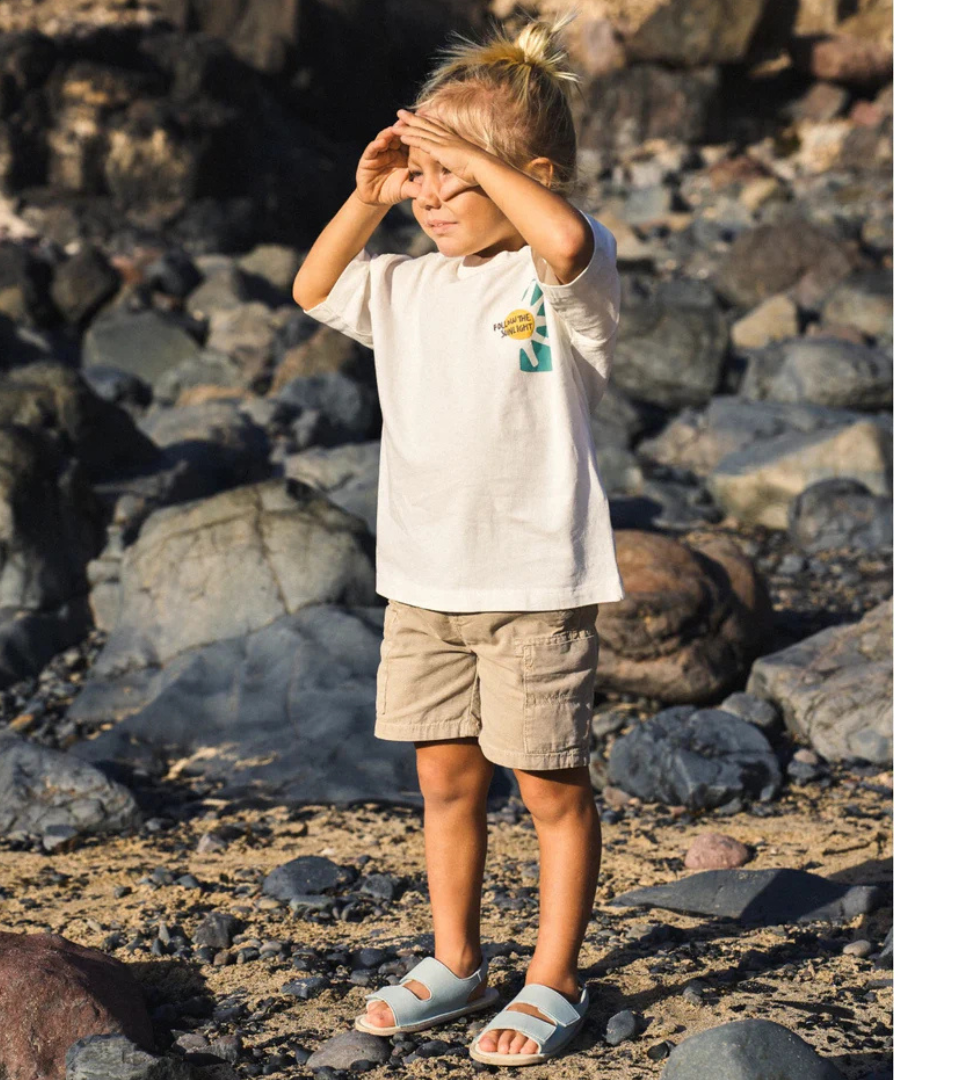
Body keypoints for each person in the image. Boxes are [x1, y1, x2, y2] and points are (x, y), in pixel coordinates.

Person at [292, 10, 624, 1067]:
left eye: (454, 176)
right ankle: (457, 959)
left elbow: (561, 237)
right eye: (420, 176)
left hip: (534, 585)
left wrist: (481, 162)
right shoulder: (406, 284)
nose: (430, 195)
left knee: (550, 787)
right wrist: (368, 193)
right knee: (445, 781)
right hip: (425, 586)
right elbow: (312, 287)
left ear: (527, 177)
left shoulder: (560, 279)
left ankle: (553, 978)